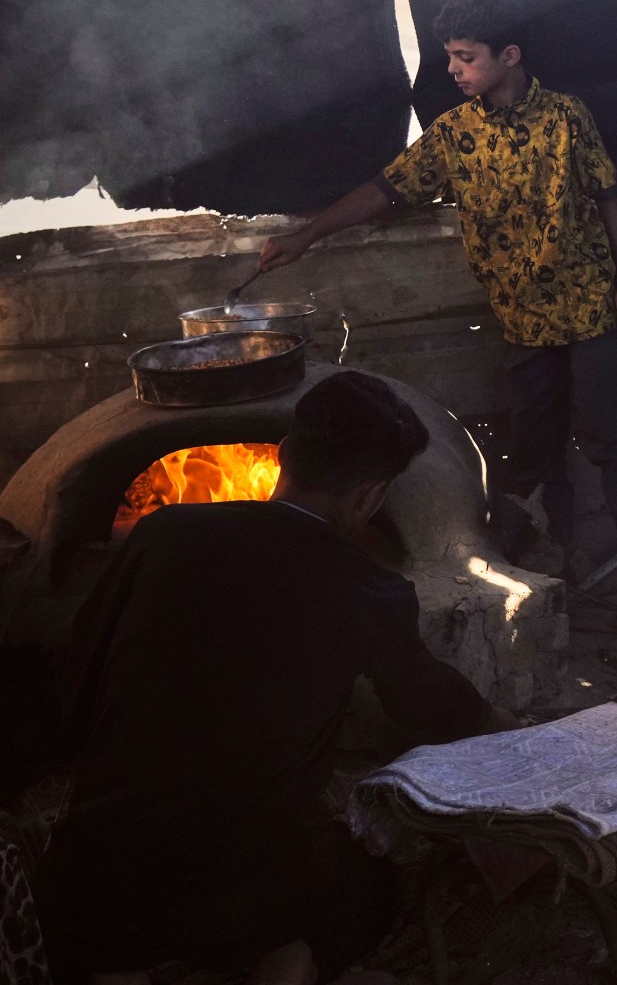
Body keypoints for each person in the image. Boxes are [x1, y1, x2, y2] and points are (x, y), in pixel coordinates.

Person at [37, 372, 508, 985]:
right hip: (243, 892)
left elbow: (84, 665)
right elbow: (423, 700)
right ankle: (278, 958)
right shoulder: (366, 587)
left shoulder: (163, 532)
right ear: (370, 497)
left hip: (96, 878)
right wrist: (492, 720)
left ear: (282, 454)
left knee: (132, 920)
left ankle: (133, 964)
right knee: (370, 889)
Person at [258, 0, 617, 623]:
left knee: (610, 438)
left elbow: (608, 195)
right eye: (449, 56)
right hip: (520, 319)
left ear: (509, 55)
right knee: (534, 451)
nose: (452, 70)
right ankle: (557, 569)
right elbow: (385, 189)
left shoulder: (566, 117)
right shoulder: (454, 135)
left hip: (588, 307)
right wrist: (306, 235)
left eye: (464, 56)